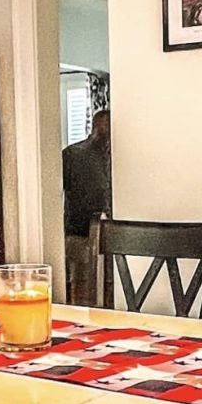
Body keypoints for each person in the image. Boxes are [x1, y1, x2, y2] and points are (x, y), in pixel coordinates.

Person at [63, 110, 112, 304]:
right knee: (81, 284)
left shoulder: (74, 153)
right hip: (79, 230)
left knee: (97, 284)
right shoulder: (73, 155)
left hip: (105, 231)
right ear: (95, 127)